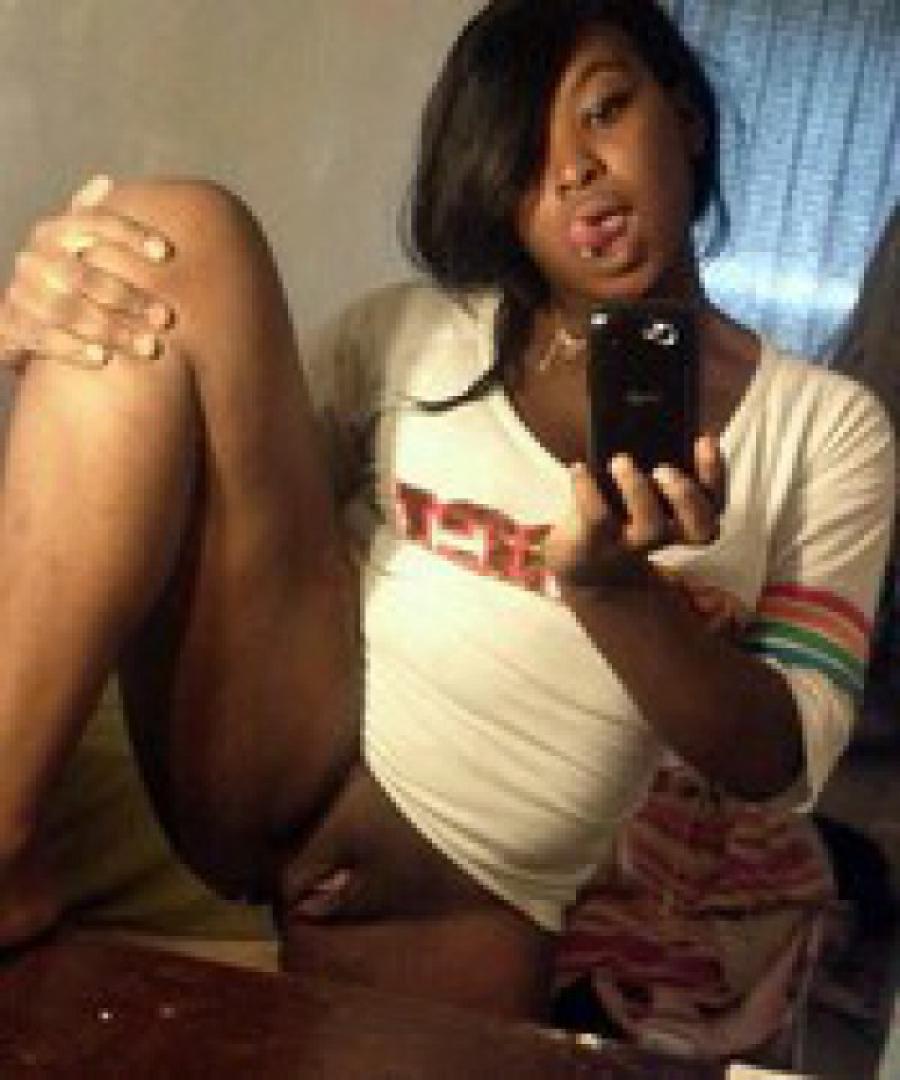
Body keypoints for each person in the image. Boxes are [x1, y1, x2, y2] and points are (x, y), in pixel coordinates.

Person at [0, 0, 893, 1027]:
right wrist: (60, 321)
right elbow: (220, 515)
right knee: (165, 238)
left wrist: (616, 592)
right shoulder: (407, 335)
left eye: (605, 110)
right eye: (526, 152)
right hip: (267, 764)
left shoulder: (824, 426)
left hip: (451, 926)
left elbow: (781, 761)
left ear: (684, 118)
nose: (575, 170)